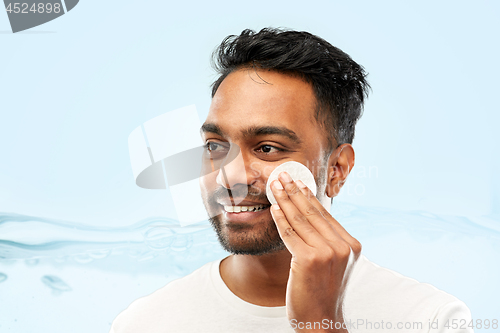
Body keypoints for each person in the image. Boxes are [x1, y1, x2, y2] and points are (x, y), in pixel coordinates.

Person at [110, 28, 473, 333]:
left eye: (267, 148)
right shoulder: (145, 323)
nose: (230, 176)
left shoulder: (431, 319)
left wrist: (320, 322)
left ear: (337, 171)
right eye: (216, 146)